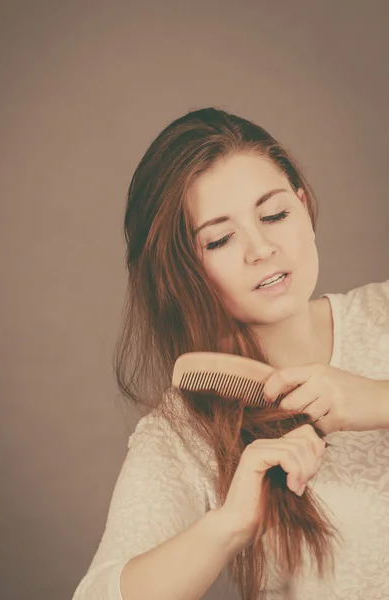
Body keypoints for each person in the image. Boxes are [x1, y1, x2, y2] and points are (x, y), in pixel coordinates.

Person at [71, 108, 389, 600]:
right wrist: (230, 526)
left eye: (275, 214)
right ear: (182, 272)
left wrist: (380, 399)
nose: (261, 248)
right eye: (219, 239)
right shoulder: (185, 431)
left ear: (304, 208)